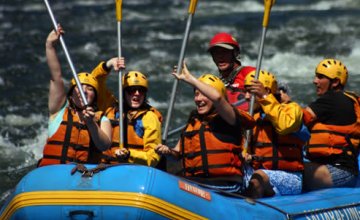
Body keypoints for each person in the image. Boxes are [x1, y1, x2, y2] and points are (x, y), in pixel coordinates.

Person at [155, 63, 255, 193]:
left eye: (204, 94)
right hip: (197, 184)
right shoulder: (194, 121)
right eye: (196, 94)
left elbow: (218, 98)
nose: (198, 99)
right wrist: (168, 151)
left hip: (225, 185)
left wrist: (191, 79)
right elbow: (177, 154)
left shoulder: (228, 117)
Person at [38, 25, 112, 167]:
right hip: (52, 174)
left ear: (95, 96)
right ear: (71, 95)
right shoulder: (58, 110)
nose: (84, 91)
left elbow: (104, 145)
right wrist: (50, 46)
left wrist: (91, 123)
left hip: (82, 177)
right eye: (79, 87)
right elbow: (56, 77)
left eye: (89, 89)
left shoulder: (102, 119)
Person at [243, 70, 309, 198]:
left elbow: (284, 126)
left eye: (250, 92)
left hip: (290, 177)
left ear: (265, 91)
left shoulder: (292, 110)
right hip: (258, 171)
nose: (246, 97)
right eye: (245, 91)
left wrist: (265, 97)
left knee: (258, 178)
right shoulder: (252, 116)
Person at [302, 58, 360, 190]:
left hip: (337, 172)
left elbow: (295, 120)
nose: (315, 81)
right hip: (348, 171)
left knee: (292, 170)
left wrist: (271, 100)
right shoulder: (349, 100)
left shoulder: (331, 99)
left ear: (335, 82)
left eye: (320, 77)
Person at [98, 69, 163, 167]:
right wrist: (107, 66)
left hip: (134, 170)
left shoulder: (149, 117)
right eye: (132, 90)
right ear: (123, 93)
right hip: (106, 169)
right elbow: (95, 82)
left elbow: (153, 157)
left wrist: (129, 154)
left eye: (141, 90)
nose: (137, 93)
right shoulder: (110, 108)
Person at [208, 32, 255, 111]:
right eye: (216, 53)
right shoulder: (216, 83)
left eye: (224, 52)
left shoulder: (249, 73)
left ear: (235, 53)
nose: (220, 56)